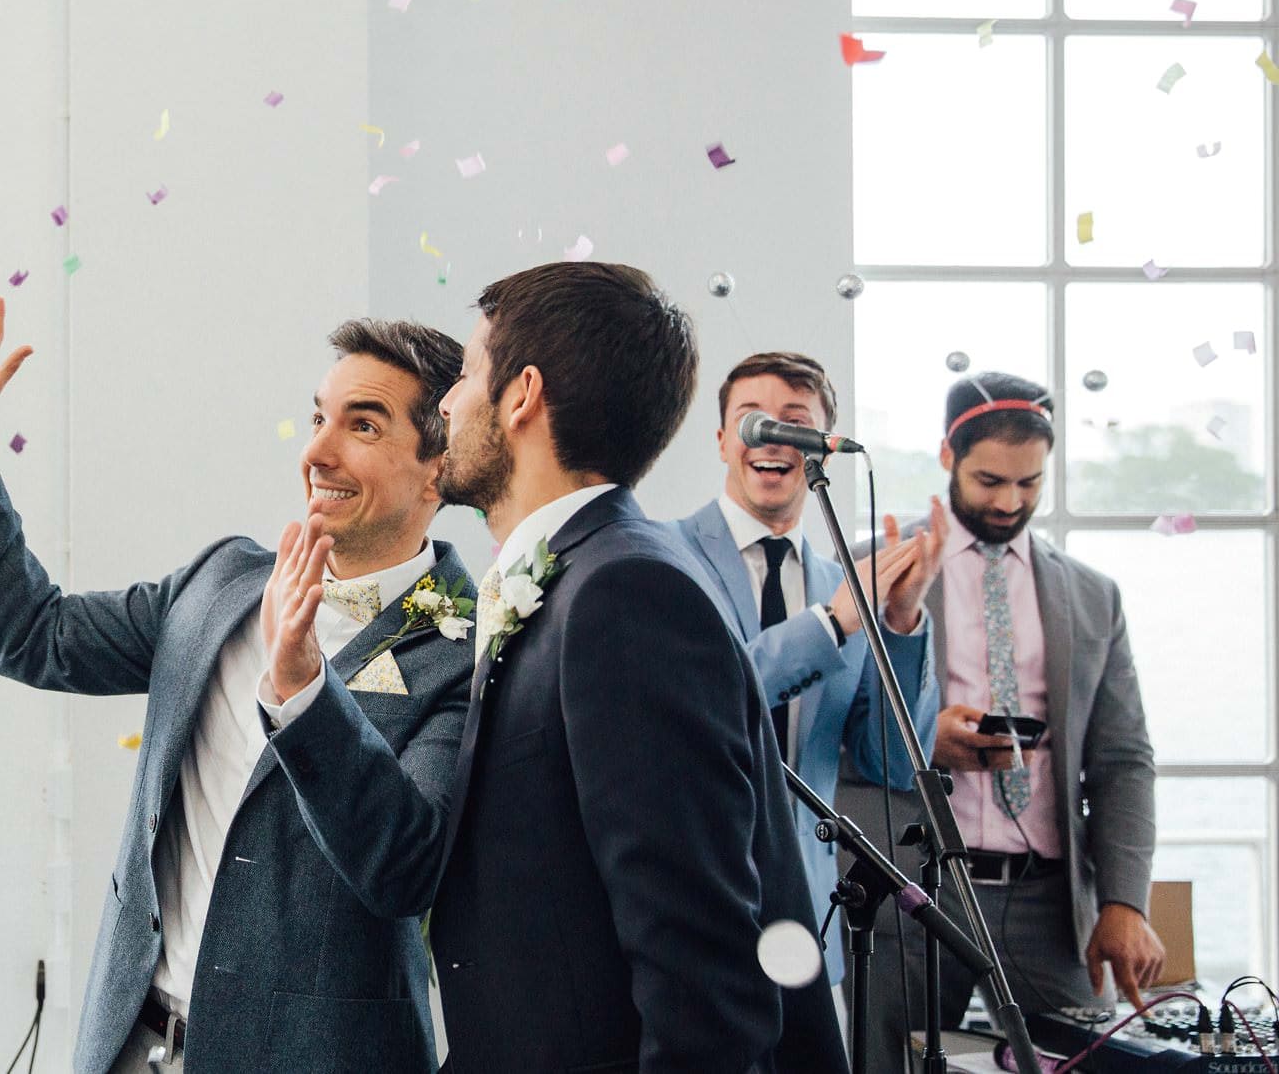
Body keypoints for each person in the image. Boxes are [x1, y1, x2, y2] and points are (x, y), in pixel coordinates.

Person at [0, 291, 477, 1073]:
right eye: (318, 418)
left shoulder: (465, 653)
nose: (319, 451)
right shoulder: (220, 583)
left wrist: (305, 687)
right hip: (129, 1043)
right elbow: (33, 635)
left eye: (364, 424)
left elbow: (404, 870)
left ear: (437, 468)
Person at [427, 262, 848, 1074]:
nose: (448, 400)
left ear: (522, 395)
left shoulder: (626, 592)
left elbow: (703, 969)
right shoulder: (587, 571)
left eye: (470, 372)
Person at [838, 372, 1164, 1074]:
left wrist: (1122, 900)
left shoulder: (1091, 594)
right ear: (948, 456)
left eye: (1030, 484)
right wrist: (927, 740)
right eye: (990, 479)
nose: (1009, 501)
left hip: (1047, 900)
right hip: (911, 888)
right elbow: (822, 727)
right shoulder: (873, 563)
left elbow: (1124, 760)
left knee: (1086, 1063)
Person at [672, 353, 944, 1012]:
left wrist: (902, 619)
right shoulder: (663, 557)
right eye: (753, 421)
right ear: (720, 440)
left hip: (812, 922)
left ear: (824, 446)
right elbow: (704, 701)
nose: (772, 437)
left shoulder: (838, 583)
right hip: (692, 907)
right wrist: (833, 623)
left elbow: (894, 765)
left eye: (795, 423)